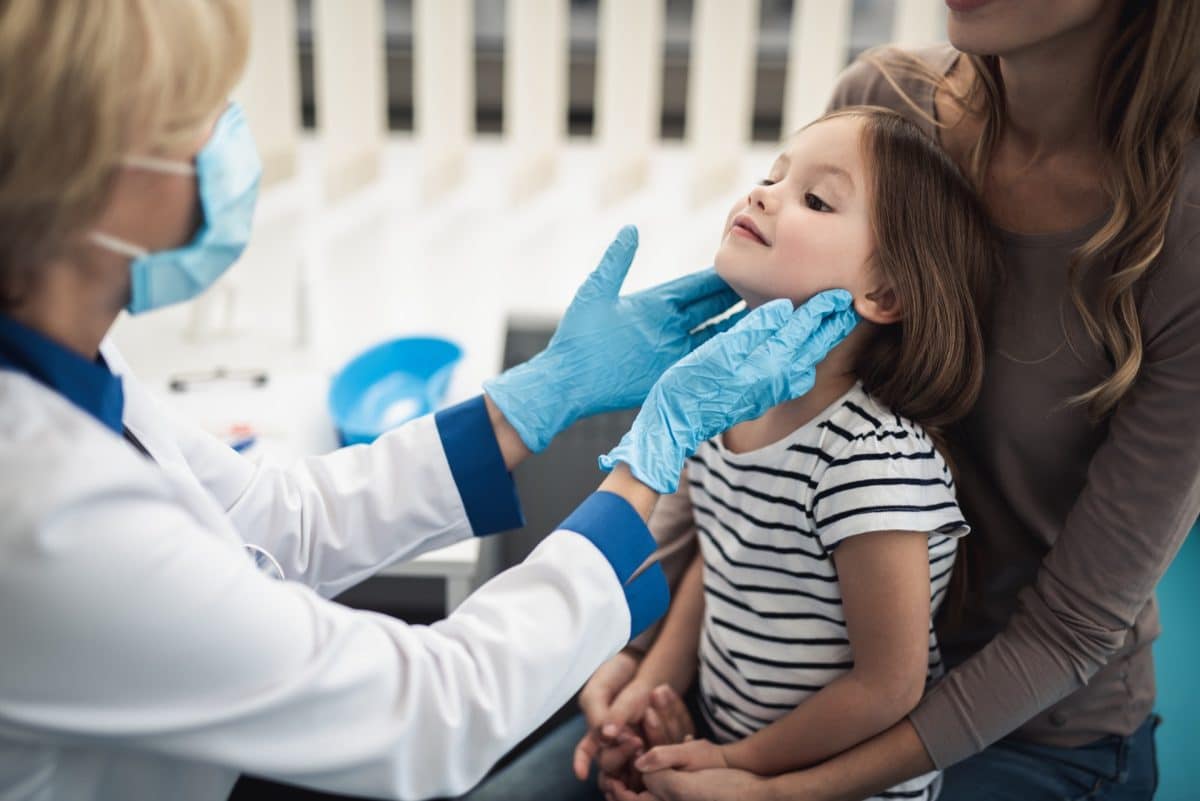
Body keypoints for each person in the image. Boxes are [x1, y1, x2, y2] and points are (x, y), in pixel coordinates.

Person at [0, 2, 858, 800]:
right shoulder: (37, 508)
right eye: (194, 119)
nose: (229, 135)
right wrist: (649, 459)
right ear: (88, 177)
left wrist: (537, 397)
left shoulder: (64, 361)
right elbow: (426, 713)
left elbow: (270, 521)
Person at [605, 1, 1200, 800]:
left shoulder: (1183, 230)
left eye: (814, 199)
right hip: (775, 688)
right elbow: (732, 491)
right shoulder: (882, 103)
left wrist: (768, 784)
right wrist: (632, 658)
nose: (771, 196)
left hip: (1027, 725)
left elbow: (1068, 631)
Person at [459, 105, 998, 801]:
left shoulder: (871, 462)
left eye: (814, 198)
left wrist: (738, 767)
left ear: (886, 290)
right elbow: (722, 558)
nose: (763, 193)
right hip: (718, 741)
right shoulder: (724, 405)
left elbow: (888, 685)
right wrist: (650, 681)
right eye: (772, 176)